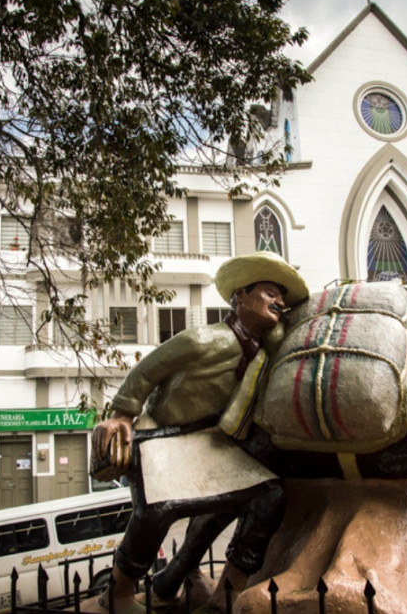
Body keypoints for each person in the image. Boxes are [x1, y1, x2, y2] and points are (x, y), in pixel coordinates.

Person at [89, 251, 308, 613]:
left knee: (269, 495)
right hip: (161, 437)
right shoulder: (202, 338)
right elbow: (147, 370)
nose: (280, 302)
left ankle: (227, 592)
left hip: (209, 442)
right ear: (241, 296)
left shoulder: (262, 354)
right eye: (270, 293)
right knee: (157, 509)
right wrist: (123, 415)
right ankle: (118, 593)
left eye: (282, 298)